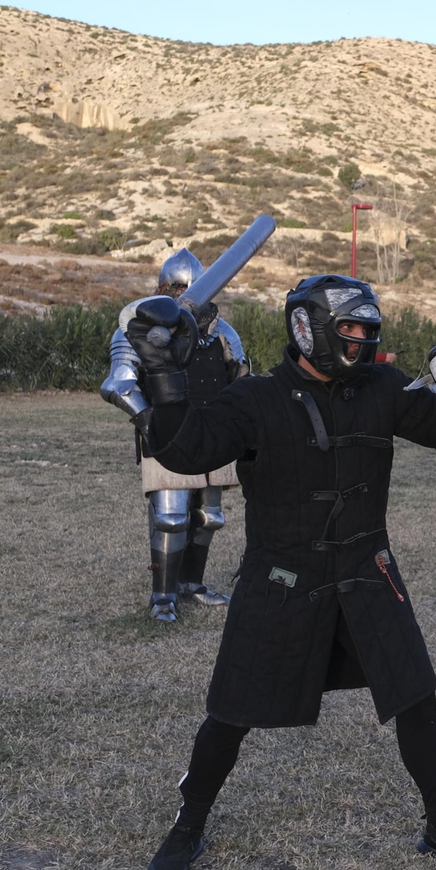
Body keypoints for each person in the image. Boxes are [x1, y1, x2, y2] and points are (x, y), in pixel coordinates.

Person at [123, 273, 436, 870]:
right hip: (281, 575)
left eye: (366, 331)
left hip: (366, 566)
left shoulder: (382, 385)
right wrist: (162, 377)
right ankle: (187, 824)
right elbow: (185, 449)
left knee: (414, 692)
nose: (360, 342)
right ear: (311, 328)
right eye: (349, 330)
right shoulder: (255, 399)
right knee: (231, 712)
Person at [101, 248, 247, 621]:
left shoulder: (222, 331)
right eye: (180, 288)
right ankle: (163, 595)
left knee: (210, 516)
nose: (188, 296)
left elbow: (240, 379)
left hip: (211, 433)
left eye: (195, 289)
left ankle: (191, 584)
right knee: (171, 518)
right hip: (166, 432)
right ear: (165, 288)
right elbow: (118, 384)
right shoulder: (139, 327)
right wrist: (150, 421)